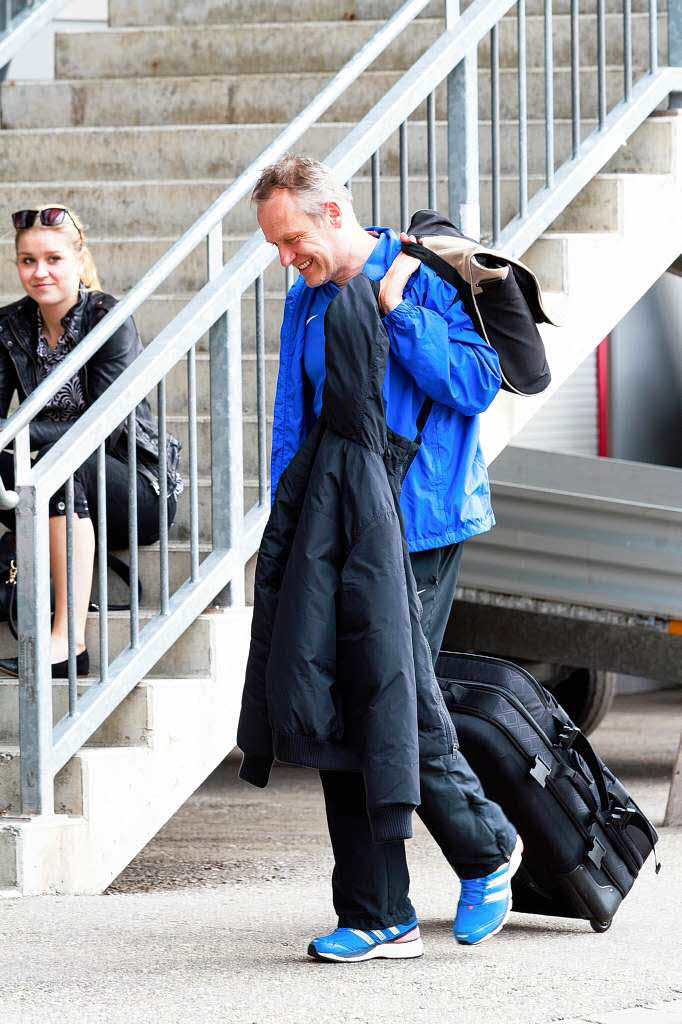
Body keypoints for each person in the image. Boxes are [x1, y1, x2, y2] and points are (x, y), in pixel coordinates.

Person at [242, 155, 522, 962]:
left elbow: (476, 382)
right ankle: (378, 912)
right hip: (332, 530)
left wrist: (402, 313)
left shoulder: (424, 275)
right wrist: (288, 522)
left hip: (419, 528)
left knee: (396, 703)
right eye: (277, 247)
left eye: (293, 240)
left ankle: (485, 847)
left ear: (334, 214)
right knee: (333, 703)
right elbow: (298, 416)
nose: (288, 259)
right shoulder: (308, 295)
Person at [0, 205, 182, 678]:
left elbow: (107, 423)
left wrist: (18, 435)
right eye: (27, 261)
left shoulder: (108, 319)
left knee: (57, 464)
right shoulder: (10, 326)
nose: (39, 272)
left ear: (79, 261)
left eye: (53, 259)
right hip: (53, 477)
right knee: (36, 466)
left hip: (132, 485)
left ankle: (70, 643)